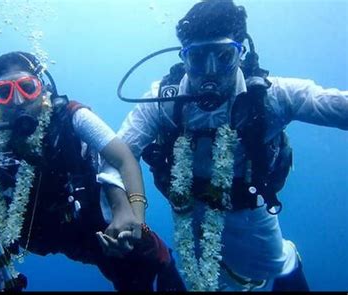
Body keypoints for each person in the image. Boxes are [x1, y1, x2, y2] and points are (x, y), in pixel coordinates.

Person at [108, 0, 347, 291]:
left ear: (240, 52)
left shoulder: (270, 97)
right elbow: (115, 153)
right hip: (189, 208)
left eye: (223, 56)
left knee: (276, 264)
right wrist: (121, 210)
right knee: (209, 280)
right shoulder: (163, 101)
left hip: (249, 209)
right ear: (184, 58)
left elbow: (330, 103)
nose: (210, 72)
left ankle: (290, 262)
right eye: (197, 58)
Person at [0, 51, 186, 291]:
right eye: (4, 92)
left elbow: (123, 157)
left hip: (100, 227)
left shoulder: (72, 116)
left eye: (27, 87)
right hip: (45, 236)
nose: (18, 101)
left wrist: (136, 217)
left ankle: (162, 260)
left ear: (43, 88)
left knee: (143, 259)